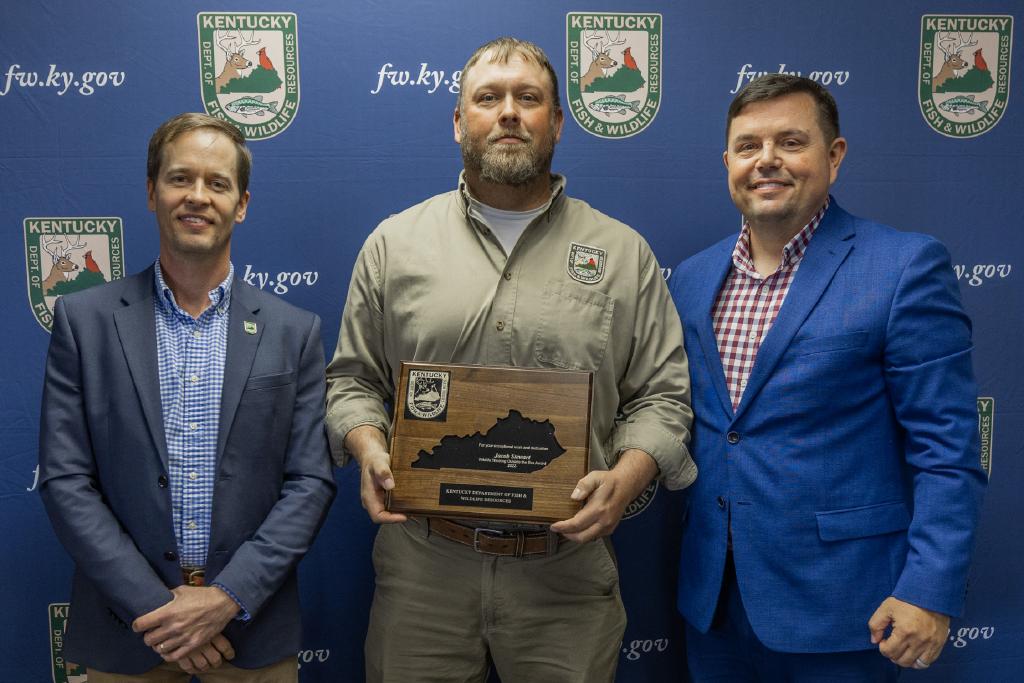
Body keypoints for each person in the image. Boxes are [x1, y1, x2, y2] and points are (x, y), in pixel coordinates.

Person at [325, 37, 694, 682]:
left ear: (556, 121)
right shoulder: (394, 245)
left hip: (567, 570)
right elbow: (353, 381)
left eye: (529, 98)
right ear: (459, 121)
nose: (509, 113)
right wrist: (368, 448)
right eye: (488, 98)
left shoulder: (624, 253)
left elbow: (663, 397)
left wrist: (628, 478)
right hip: (424, 566)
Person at [669, 74, 987, 681]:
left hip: (847, 607)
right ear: (728, 162)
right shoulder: (691, 278)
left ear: (833, 157)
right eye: (747, 146)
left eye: (791, 142)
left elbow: (947, 449)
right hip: (713, 605)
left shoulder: (902, 267)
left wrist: (930, 588)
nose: (766, 161)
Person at [38, 112, 336, 682]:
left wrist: (226, 598)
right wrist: (158, 612)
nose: (197, 197)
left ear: (241, 203)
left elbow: (310, 482)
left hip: (249, 632)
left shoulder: (293, 331)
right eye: (180, 179)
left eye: (217, 183)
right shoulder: (84, 321)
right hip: (128, 632)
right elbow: (65, 479)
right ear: (152, 191)